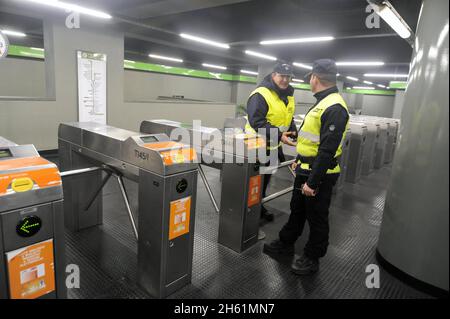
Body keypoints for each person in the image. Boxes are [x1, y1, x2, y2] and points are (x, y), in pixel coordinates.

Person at [263, 59, 350, 275]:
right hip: (306, 167)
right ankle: (286, 243)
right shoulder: (324, 101)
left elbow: (327, 150)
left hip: (320, 173)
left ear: (315, 78)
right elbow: (314, 141)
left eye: (310, 77)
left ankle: (313, 256)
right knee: (298, 209)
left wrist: (313, 181)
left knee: (317, 216)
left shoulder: (334, 107)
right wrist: (300, 158)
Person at [245, 62, 297, 222]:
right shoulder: (261, 94)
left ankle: (258, 207)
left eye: (288, 77)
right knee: (252, 182)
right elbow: (257, 122)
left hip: (273, 148)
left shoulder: (288, 95)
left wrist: (293, 131)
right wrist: (280, 135)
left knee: (263, 182)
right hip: (256, 148)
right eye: (282, 76)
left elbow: (289, 117)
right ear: (273, 75)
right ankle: (247, 212)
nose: (285, 80)